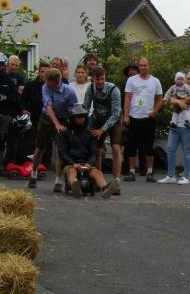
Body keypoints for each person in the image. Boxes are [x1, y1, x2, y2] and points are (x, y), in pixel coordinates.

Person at [28, 68, 78, 192]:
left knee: (60, 150)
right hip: (46, 118)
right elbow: (48, 107)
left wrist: (71, 126)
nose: (45, 84)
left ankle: (58, 180)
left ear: (55, 82)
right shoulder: (45, 87)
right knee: (40, 147)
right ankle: (33, 174)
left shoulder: (70, 92)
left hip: (62, 118)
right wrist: (56, 124)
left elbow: (75, 109)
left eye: (48, 82)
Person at [59, 104, 115, 199]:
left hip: (86, 163)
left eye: (83, 117)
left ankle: (105, 189)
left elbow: (94, 152)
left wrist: (89, 163)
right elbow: (63, 152)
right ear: (72, 118)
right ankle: (75, 186)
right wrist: (73, 163)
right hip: (71, 164)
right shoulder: (65, 133)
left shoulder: (90, 133)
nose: (82, 119)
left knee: (97, 173)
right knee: (71, 171)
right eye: (79, 117)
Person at [157, 71, 190, 185]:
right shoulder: (179, 88)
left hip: (189, 125)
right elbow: (168, 101)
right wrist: (177, 101)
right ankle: (170, 176)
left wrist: (175, 99)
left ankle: (186, 176)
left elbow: (187, 100)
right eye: (188, 79)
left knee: (187, 150)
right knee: (170, 148)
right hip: (175, 124)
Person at [123, 57, 163, 182]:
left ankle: (149, 172)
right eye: (140, 65)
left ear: (149, 66)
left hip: (148, 118)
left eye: (144, 65)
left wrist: (155, 111)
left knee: (148, 146)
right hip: (133, 117)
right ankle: (131, 172)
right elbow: (127, 97)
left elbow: (160, 98)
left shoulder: (155, 81)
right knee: (131, 145)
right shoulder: (131, 80)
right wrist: (125, 115)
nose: (142, 67)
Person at [85, 66, 122, 195]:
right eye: (97, 80)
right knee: (97, 149)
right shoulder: (90, 89)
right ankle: (99, 180)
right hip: (98, 118)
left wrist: (102, 130)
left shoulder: (114, 90)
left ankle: (116, 182)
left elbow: (116, 113)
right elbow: (85, 107)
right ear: (93, 79)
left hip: (113, 119)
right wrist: (83, 123)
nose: (100, 82)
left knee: (116, 148)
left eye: (102, 79)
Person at [20, 61, 49, 160]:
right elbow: (22, 100)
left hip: (47, 118)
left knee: (45, 142)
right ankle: (27, 161)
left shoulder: (52, 87)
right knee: (30, 141)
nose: (44, 74)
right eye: (42, 71)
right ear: (39, 72)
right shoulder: (30, 85)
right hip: (33, 118)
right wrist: (23, 109)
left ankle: (45, 163)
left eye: (47, 72)